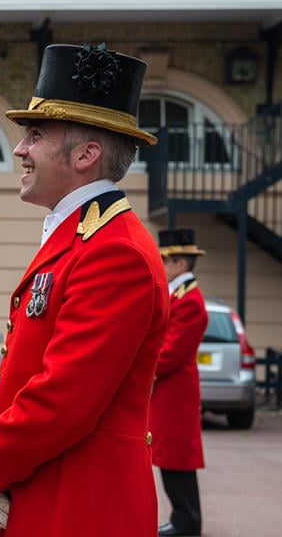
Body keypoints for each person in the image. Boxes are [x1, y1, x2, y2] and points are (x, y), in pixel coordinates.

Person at [0, 42, 170, 535]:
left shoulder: (115, 252)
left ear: (87, 155)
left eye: (36, 135)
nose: (20, 149)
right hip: (49, 490)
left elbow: (63, 400)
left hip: (81, 505)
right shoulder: (84, 236)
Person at [152, 228, 208, 536]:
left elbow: (171, 351)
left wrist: (143, 368)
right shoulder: (180, 295)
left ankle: (188, 522)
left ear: (181, 264)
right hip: (171, 389)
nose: (161, 263)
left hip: (176, 390)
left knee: (176, 459)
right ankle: (183, 518)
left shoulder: (190, 300)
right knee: (170, 458)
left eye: (165, 259)